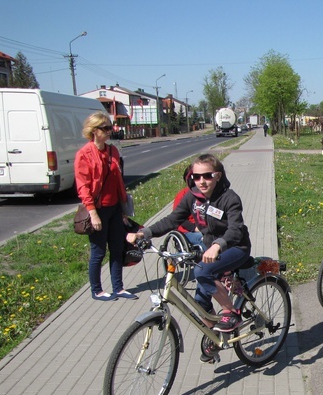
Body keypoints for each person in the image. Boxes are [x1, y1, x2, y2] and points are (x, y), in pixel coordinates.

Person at [127, 154, 251, 362]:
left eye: (207, 176)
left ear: (217, 176)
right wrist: (144, 233)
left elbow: (236, 230)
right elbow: (172, 219)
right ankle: (218, 335)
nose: (202, 181)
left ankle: (230, 312)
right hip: (209, 248)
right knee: (200, 300)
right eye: (197, 176)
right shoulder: (192, 198)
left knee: (202, 271)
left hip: (235, 247)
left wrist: (217, 246)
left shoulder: (230, 198)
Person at [75, 111, 135, 302]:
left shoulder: (112, 151)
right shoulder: (84, 154)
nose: (110, 131)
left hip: (115, 207)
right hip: (98, 210)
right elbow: (83, 187)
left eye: (110, 128)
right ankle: (97, 290)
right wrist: (93, 214)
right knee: (98, 252)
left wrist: (124, 211)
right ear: (94, 131)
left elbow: (118, 182)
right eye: (106, 128)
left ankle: (118, 287)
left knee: (117, 249)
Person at [172, 166, 204, 250]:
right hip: (187, 231)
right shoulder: (182, 195)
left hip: (204, 227)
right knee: (204, 239)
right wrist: (194, 228)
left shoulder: (206, 193)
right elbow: (178, 218)